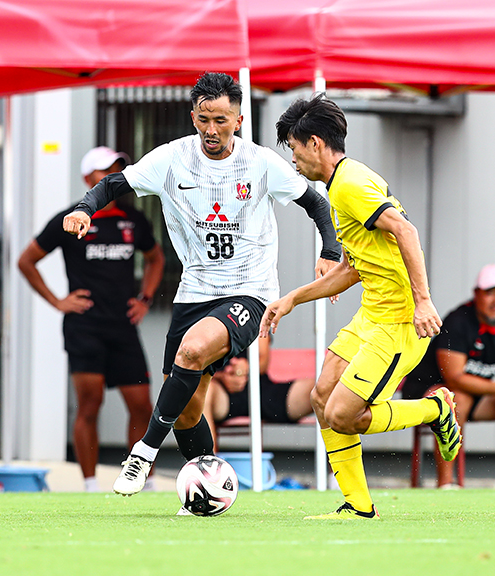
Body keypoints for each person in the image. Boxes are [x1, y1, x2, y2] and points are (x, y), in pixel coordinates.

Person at [62, 72, 342, 499]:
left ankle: (143, 453)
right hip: (193, 291)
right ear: (193, 116)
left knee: (191, 351)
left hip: (250, 289)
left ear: (239, 120)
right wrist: (85, 208)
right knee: (190, 411)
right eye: (205, 119)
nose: (212, 130)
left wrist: (331, 251)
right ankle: (210, 491)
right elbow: (115, 184)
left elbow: (316, 202)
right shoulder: (172, 159)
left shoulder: (261, 162)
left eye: (222, 120)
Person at [262, 93, 456, 520]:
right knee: (321, 397)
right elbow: (353, 269)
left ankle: (435, 408)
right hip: (372, 315)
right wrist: (292, 298)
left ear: (314, 144)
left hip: (399, 321)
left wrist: (423, 301)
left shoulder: (349, 185)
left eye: (294, 150)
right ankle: (357, 504)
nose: (293, 161)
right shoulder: (341, 186)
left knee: (344, 414)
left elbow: (406, 231)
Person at [19, 146, 165, 492]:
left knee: (142, 404)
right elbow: (26, 261)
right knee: (90, 404)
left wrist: (145, 299)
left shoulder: (134, 220)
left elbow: (156, 259)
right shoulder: (69, 219)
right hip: (84, 326)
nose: (112, 177)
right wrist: (58, 301)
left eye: (117, 170)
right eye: (104, 172)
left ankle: (144, 478)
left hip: (123, 326)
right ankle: (88, 484)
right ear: (88, 179)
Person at [404, 264, 495, 488]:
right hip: (426, 391)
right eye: (490, 293)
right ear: (476, 295)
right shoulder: (458, 320)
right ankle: (446, 484)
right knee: (454, 400)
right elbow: (454, 378)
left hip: (473, 394)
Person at [202, 337, 315, 449]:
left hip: (261, 388)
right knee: (203, 390)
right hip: (220, 391)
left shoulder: (258, 319)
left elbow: (263, 359)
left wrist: (246, 367)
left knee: (321, 388)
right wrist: (221, 377)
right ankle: (207, 464)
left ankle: (333, 464)